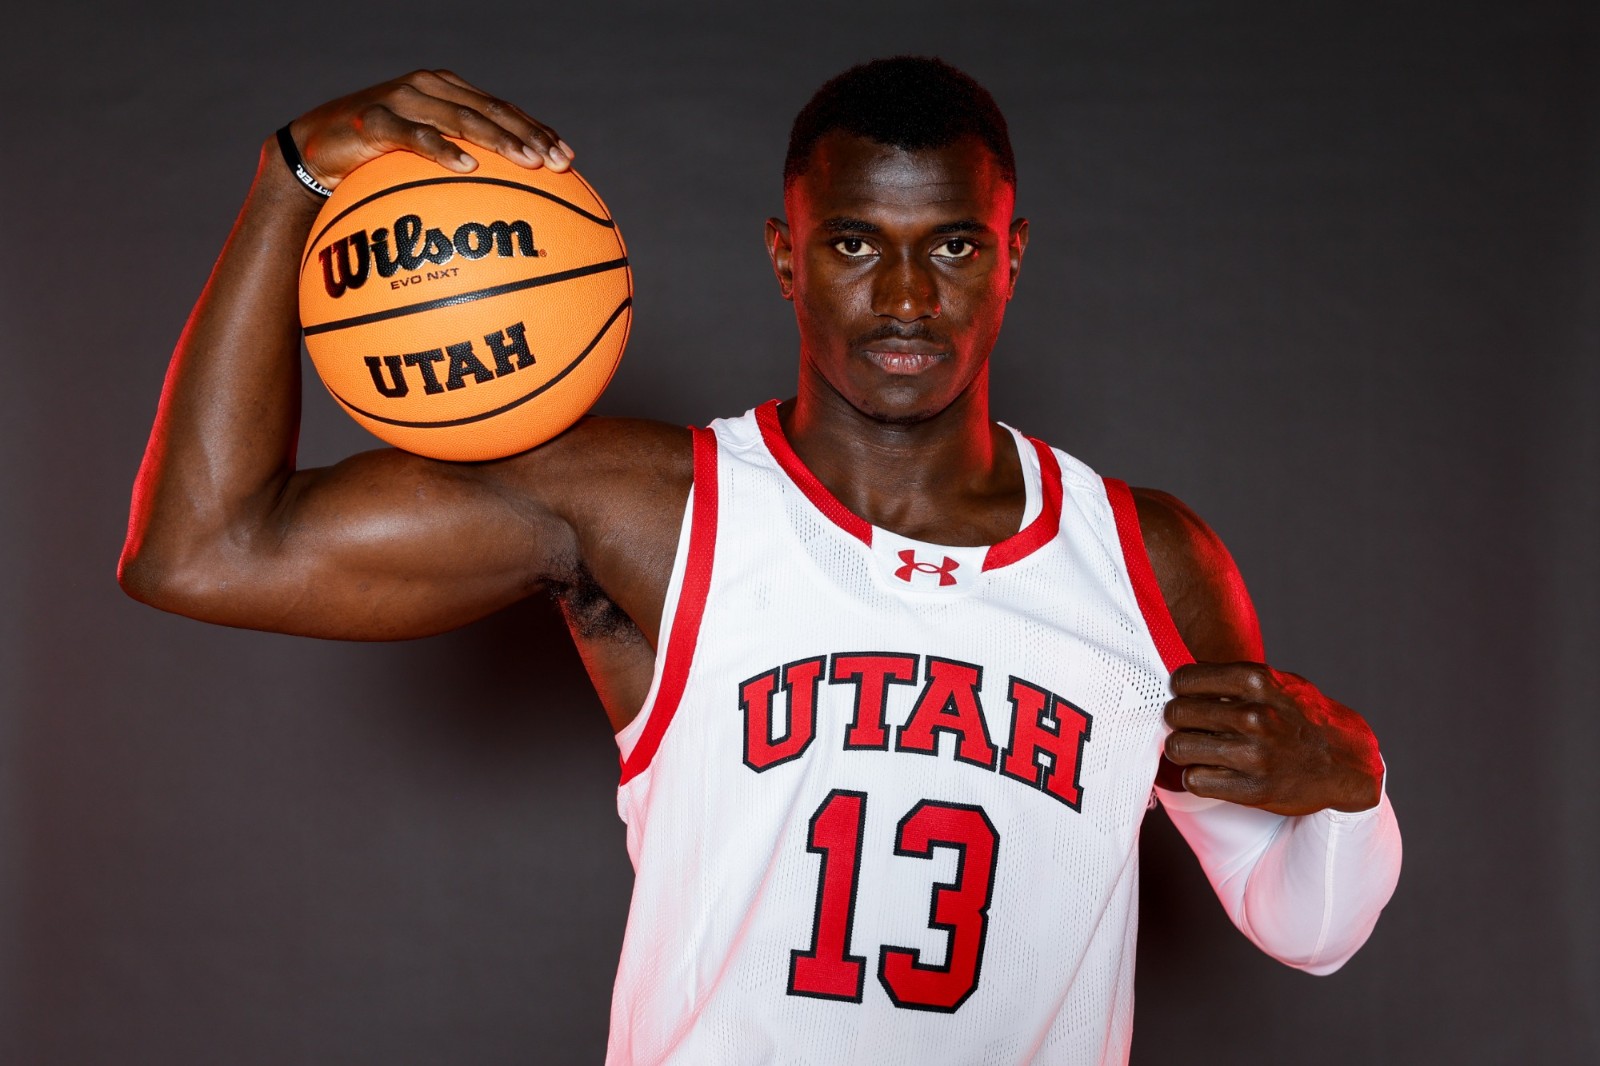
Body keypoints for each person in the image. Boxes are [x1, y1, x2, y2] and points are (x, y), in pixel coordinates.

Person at [120, 57, 1400, 1065]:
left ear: (1012, 258)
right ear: (786, 258)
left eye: (953, 245)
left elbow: (1309, 924)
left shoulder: (1143, 559)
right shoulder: (649, 509)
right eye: (854, 243)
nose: (906, 297)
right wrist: (291, 181)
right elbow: (204, 550)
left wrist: (1350, 782)